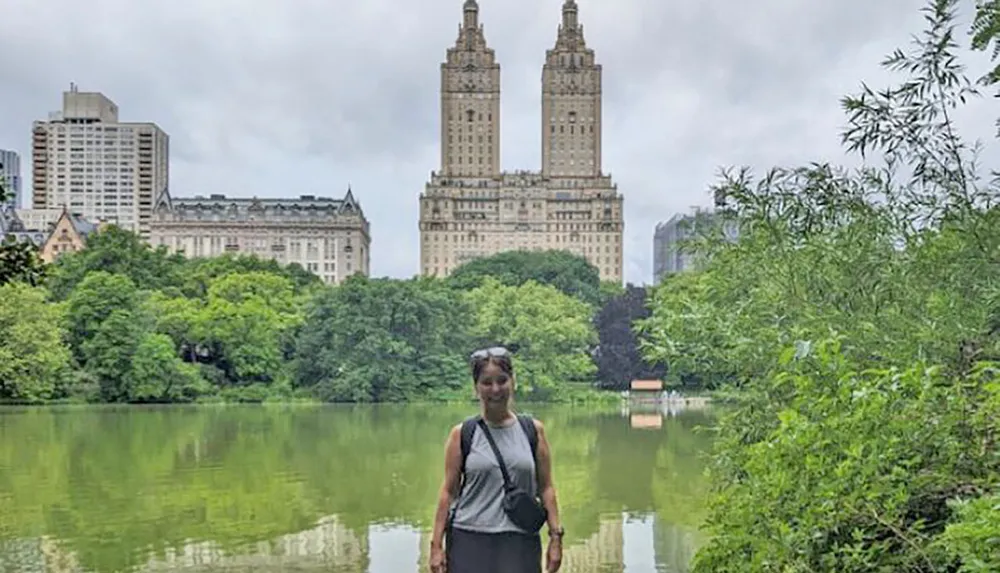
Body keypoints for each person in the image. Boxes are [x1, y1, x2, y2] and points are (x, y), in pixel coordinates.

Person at [429, 346, 564, 573]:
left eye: (502, 380)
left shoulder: (532, 431)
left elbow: (546, 487)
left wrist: (556, 537)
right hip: (469, 539)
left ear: (513, 382)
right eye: (486, 382)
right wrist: (435, 546)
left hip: (519, 541)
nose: (495, 389)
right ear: (476, 388)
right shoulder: (463, 434)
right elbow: (448, 492)